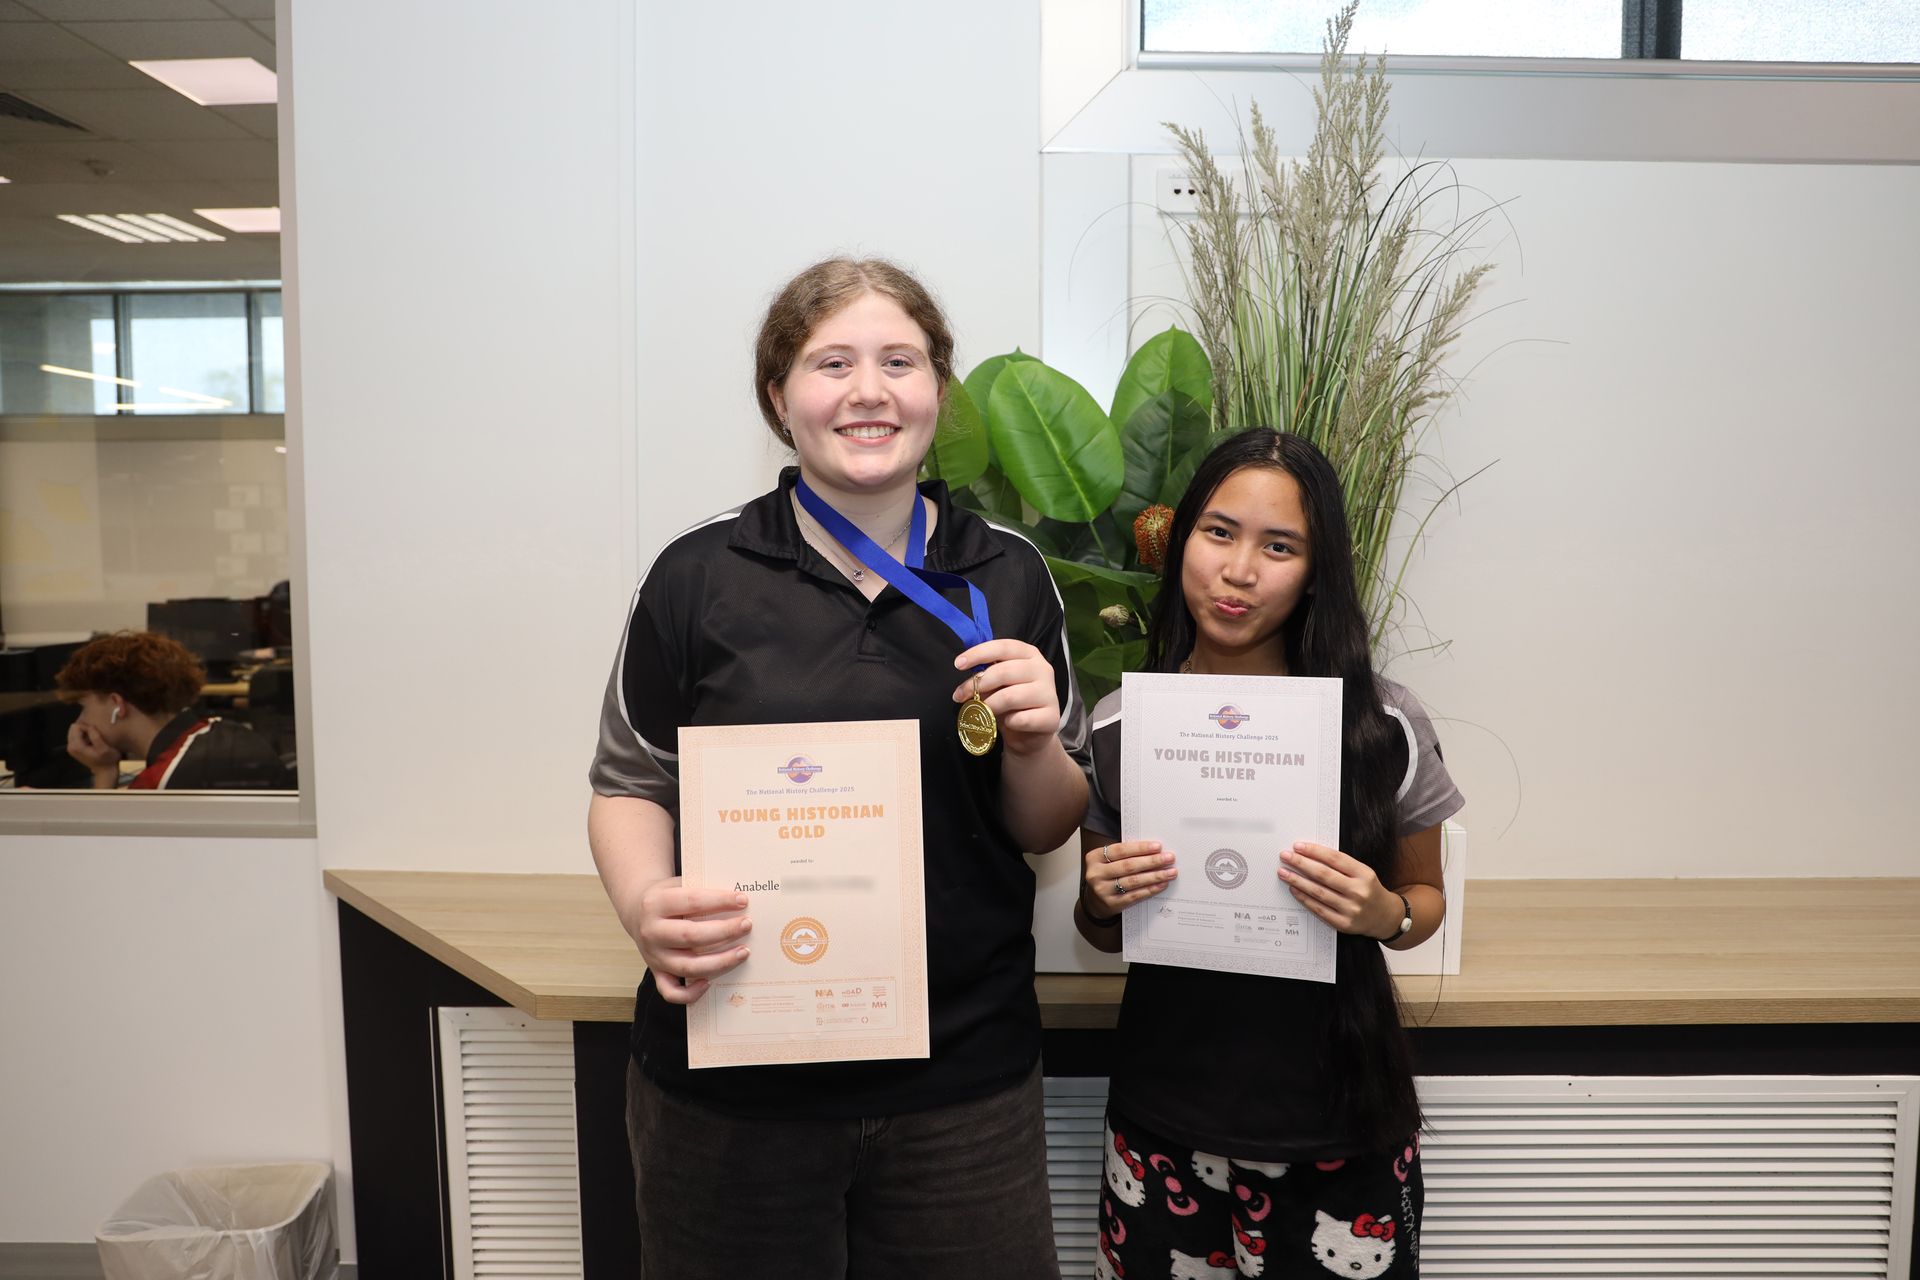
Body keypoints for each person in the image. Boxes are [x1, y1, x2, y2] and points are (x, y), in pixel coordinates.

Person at [587, 257, 1090, 1278]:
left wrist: (1035, 741)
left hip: (962, 1081)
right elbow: (629, 781)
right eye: (833, 362)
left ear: (939, 392)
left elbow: (1045, 825)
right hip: (732, 1078)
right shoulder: (697, 576)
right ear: (780, 397)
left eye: (900, 360)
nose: (869, 389)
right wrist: (646, 901)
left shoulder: (1009, 574)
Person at [1075, 429, 1463, 1279]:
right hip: (1165, 1117)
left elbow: (1425, 901)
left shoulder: (1382, 724)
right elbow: (1098, 927)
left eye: (1278, 546)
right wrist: (1102, 898)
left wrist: (1383, 913)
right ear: (1180, 544)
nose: (1239, 570)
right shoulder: (1118, 727)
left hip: (1339, 1120)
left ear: (1316, 569)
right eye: (1219, 533)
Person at [55, 630, 293, 790]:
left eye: (84, 707)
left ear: (117, 705)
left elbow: (105, 853)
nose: (81, 720)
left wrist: (103, 775)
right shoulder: (221, 729)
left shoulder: (161, 784)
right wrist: (106, 768)